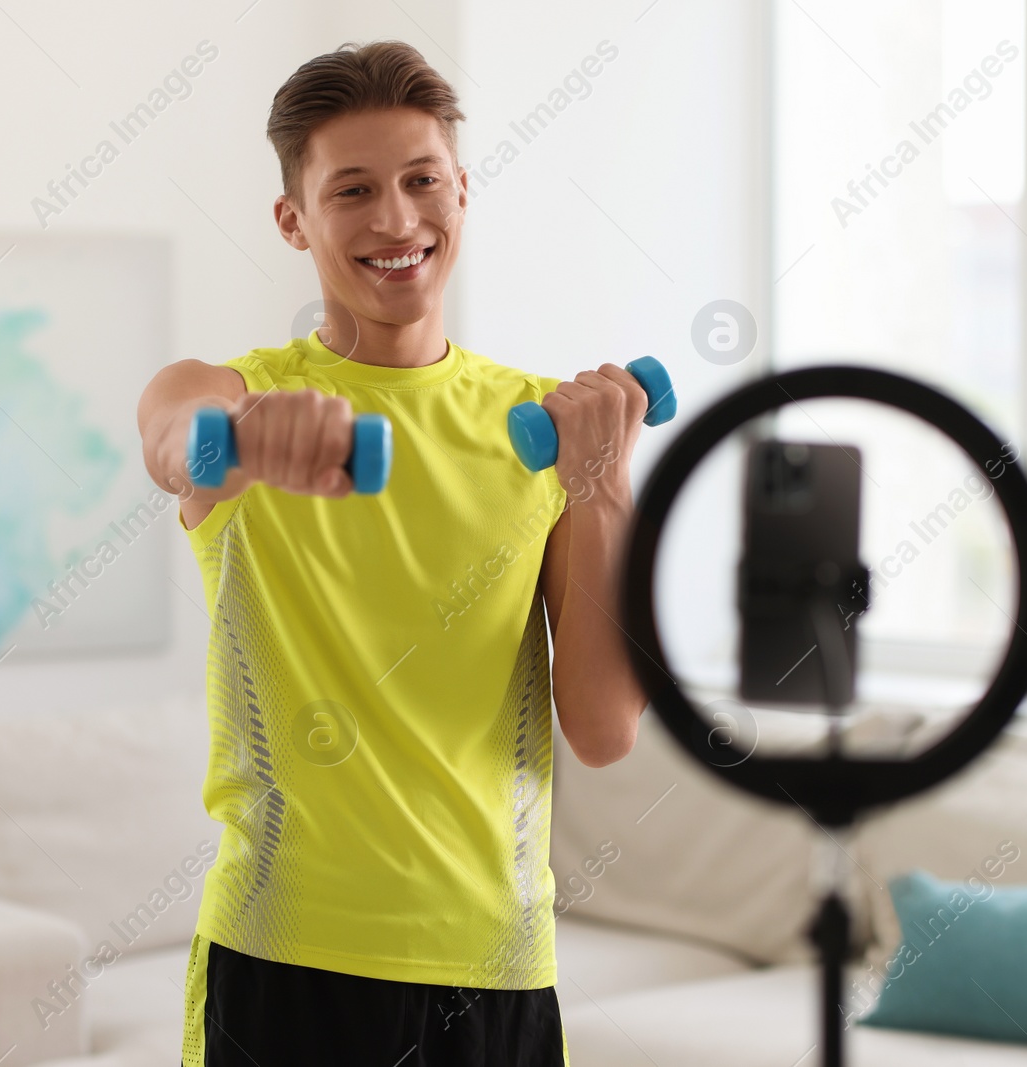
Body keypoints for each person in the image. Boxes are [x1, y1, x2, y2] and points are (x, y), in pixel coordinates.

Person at [136, 38, 649, 1067]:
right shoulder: (235, 393)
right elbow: (171, 437)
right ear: (294, 219)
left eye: (421, 181)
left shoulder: (537, 428)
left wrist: (603, 491)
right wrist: (239, 443)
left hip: (496, 964)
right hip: (287, 954)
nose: (396, 220)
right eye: (352, 190)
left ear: (462, 189)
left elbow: (601, 730)